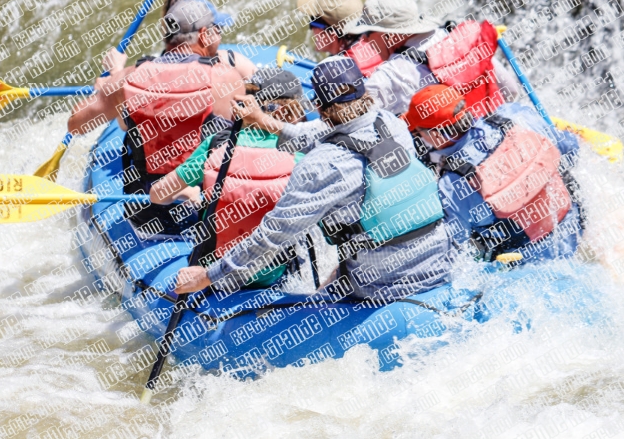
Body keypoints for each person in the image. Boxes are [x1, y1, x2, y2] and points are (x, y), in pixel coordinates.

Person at [174, 56, 455, 303]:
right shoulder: (389, 123)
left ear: (318, 106)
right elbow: (335, 133)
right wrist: (265, 121)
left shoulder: (321, 166)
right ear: (363, 92)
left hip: (382, 285)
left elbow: (272, 237)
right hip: (439, 260)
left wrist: (209, 275)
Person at [67, 0, 251, 189]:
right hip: (203, 206)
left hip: (145, 209)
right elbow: (242, 141)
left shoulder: (128, 78)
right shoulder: (226, 78)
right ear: (204, 35)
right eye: (217, 31)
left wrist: (109, 88)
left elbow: (75, 125)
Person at [149, 68, 308, 287]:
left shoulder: (216, 144)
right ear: (292, 111)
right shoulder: (301, 155)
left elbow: (157, 195)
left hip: (210, 275)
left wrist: (191, 192)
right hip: (273, 276)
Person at [402, 84, 584, 264]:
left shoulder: (451, 183)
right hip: (577, 220)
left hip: (534, 261)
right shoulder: (514, 115)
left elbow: (459, 247)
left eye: (418, 132)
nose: (419, 138)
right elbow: (571, 149)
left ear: (436, 135)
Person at [343, 0, 520, 116]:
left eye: (366, 33)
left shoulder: (390, 75)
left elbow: (349, 121)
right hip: (501, 126)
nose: (364, 41)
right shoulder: (457, 36)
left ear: (388, 35)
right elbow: (511, 89)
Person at [295, 0, 381, 76]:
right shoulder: (379, 43)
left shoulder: (339, 73)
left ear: (332, 33)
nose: (311, 29)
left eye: (313, 21)